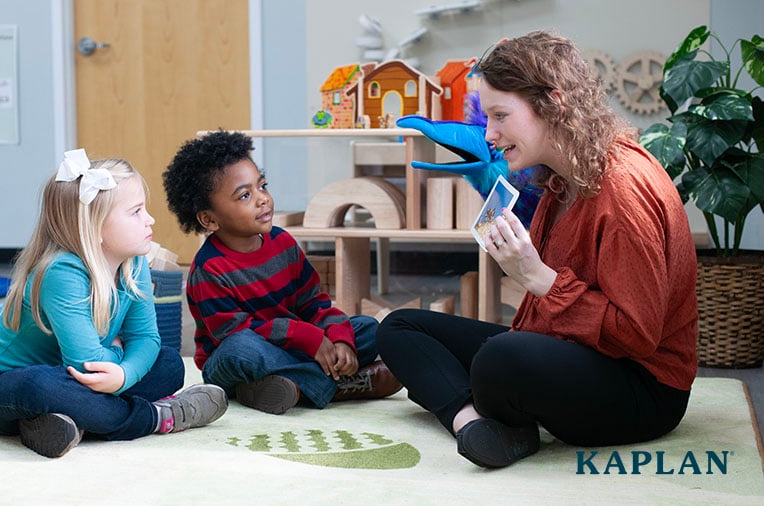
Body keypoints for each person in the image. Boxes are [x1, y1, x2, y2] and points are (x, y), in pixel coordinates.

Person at [376, 31, 698, 469]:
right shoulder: (562, 176)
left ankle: (485, 409)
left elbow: (638, 336)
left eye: (500, 115)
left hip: (643, 388)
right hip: (573, 350)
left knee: (498, 361)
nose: (489, 134)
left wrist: (537, 278)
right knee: (399, 328)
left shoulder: (621, 192)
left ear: (554, 103)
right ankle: (472, 423)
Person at [0, 149, 228, 458]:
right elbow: (84, 364)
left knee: (169, 365)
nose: (150, 219)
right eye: (136, 212)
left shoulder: (135, 261)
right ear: (95, 227)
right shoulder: (60, 272)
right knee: (42, 386)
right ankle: (160, 416)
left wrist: (124, 373)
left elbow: (146, 338)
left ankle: (64, 422)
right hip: (2, 388)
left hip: (80, 378)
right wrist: (119, 352)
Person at [163, 130, 402, 415]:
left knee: (368, 329)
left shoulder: (284, 243)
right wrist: (307, 338)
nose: (262, 199)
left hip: (291, 349)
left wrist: (339, 339)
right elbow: (235, 333)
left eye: (262, 186)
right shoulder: (209, 271)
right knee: (241, 349)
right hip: (238, 361)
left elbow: (314, 303)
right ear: (209, 219)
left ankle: (287, 385)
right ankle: (339, 385)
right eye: (244, 195)